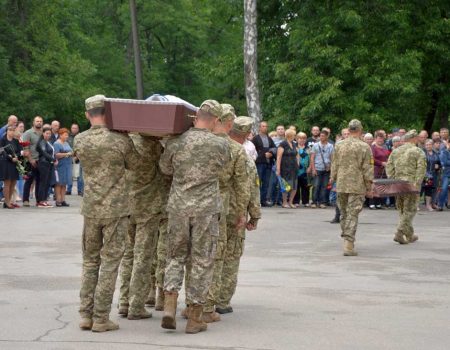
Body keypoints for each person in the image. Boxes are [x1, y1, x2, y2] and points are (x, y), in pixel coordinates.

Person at [159, 100, 230, 334]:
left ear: (196, 115)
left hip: (179, 206)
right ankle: (194, 317)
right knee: (202, 260)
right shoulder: (220, 145)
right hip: (206, 210)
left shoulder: (177, 141)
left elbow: (165, 169)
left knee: (175, 256)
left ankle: (169, 305)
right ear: (216, 120)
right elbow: (223, 169)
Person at [74, 94, 139, 332]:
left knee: (90, 262)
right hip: (116, 209)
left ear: (87, 115)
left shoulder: (79, 140)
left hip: (91, 208)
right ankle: (101, 318)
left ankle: (85, 314)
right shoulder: (120, 140)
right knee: (110, 263)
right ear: (108, 113)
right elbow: (135, 164)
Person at [216, 116, 261, 314]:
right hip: (234, 212)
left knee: (210, 255)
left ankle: (202, 300)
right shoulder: (242, 156)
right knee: (231, 256)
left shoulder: (213, 149)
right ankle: (222, 300)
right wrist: (254, 215)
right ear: (244, 134)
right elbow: (250, 188)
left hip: (211, 210)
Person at [118, 134, 163, 320]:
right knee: (143, 256)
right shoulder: (154, 145)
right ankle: (136, 305)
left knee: (128, 255)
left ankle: (124, 301)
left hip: (127, 206)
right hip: (148, 208)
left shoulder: (126, 142)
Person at [330, 119, 374, 256]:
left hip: (342, 184)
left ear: (348, 130)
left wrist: (334, 179)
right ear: (360, 130)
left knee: (344, 213)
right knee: (352, 214)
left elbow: (334, 164)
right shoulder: (364, 147)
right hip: (357, 185)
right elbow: (367, 168)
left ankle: (346, 238)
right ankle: (349, 243)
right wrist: (369, 187)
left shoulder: (339, 145)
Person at [386, 130, 426, 244]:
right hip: (410, 184)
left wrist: (393, 179)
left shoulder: (396, 151)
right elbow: (421, 169)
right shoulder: (418, 151)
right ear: (413, 138)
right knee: (410, 210)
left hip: (398, 182)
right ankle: (399, 233)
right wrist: (417, 184)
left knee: (403, 209)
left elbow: (389, 166)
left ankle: (410, 234)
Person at [252, 121, 276, 206]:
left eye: (266, 126)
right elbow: (252, 151)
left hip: (268, 163)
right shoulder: (255, 138)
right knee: (258, 182)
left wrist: (271, 153)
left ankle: (263, 200)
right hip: (259, 163)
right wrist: (263, 154)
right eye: (263, 126)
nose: (265, 128)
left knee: (266, 182)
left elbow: (274, 148)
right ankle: (256, 201)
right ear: (259, 127)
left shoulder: (269, 138)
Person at [22, 116, 44, 206]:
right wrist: (30, 160)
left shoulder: (43, 133)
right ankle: (25, 200)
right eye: (37, 121)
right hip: (31, 160)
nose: (39, 123)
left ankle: (38, 200)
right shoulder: (28, 133)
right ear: (33, 122)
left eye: (40, 121)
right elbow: (25, 147)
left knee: (39, 181)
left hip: (41, 160)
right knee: (29, 180)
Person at [309, 129, 334, 208]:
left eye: (323, 136)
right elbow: (312, 158)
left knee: (324, 186)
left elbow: (332, 158)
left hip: (326, 169)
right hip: (317, 167)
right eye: (320, 136)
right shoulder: (316, 145)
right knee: (316, 185)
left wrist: (331, 167)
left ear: (327, 136)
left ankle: (322, 202)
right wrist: (313, 169)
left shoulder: (330, 146)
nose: (321, 137)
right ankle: (314, 201)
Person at [276, 129, 299, 208]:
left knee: (294, 186)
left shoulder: (294, 144)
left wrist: (298, 164)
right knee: (286, 186)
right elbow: (278, 157)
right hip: (285, 168)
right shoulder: (283, 144)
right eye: (294, 135)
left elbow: (297, 154)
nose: (295, 136)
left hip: (294, 168)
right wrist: (278, 169)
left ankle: (291, 202)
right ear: (290, 135)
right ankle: (284, 202)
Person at [0, 126, 22, 208]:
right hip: (6, 163)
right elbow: (2, 151)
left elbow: (20, 151)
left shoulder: (16, 141)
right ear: (6, 131)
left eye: (13, 130)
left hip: (14, 163)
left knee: (13, 183)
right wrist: (10, 158)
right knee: (7, 183)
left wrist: (17, 157)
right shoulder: (3, 140)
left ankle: (8, 201)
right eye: (10, 130)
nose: (12, 132)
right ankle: (7, 202)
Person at [36, 127, 56, 208]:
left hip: (49, 164)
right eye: (46, 133)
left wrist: (53, 160)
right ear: (43, 133)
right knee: (43, 182)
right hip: (43, 164)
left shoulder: (48, 142)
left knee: (47, 183)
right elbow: (44, 153)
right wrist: (53, 159)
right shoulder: (42, 142)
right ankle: (41, 201)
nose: (48, 135)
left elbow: (51, 153)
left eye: (49, 133)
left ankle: (44, 200)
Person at [369, 131, 390, 209]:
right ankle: (371, 203)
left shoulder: (385, 148)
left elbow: (388, 157)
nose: (380, 140)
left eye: (382, 139)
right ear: (375, 139)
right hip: (375, 170)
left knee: (380, 187)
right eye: (379, 139)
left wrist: (387, 162)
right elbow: (371, 159)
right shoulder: (373, 148)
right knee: (373, 187)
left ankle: (378, 203)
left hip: (383, 171)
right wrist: (381, 163)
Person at [53, 128, 73, 206]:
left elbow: (71, 151)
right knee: (59, 183)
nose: (67, 136)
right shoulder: (56, 143)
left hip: (67, 165)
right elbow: (56, 155)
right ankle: (58, 200)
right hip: (60, 165)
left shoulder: (66, 143)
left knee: (64, 183)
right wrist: (66, 154)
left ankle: (63, 200)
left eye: (67, 135)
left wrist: (71, 153)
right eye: (65, 135)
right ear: (60, 135)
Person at [422, 139, 440, 211]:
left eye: (430, 144)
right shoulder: (423, 153)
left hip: (434, 174)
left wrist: (438, 166)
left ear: (432, 145)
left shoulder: (436, 153)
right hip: (425, 174)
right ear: (425, 145)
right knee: (422, 189)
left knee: (431, 189)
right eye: (427, 145)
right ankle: (416, 205)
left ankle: (429, 205)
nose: (428, 146)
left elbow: (439, 163)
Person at [67, 123, 84, 195]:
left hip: (79, 158)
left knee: (79, 175)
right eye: (73, 128)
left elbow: (83, 147)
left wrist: (77, 156)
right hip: (69, 157)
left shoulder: (82, 137)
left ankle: (80, 190)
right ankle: (69, 190)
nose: (74, 129)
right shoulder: (68, 137)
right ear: (71, 129)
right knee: (69, 174)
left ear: (78, 129)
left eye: (76, 128)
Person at [294, 132, 310, 207]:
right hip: (296, 169)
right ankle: (296, 201)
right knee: (296, 186)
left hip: (305, 170)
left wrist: (310, 167)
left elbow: (311, 158)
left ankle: (305, 201)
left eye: (303, 138)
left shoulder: (308, 148)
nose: (302, 140)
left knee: (305, 186)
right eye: (300, 138)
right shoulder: (294, 147)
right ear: (297, 139)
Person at [437, 139, 450, 211]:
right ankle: (440, 205)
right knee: (444, 189)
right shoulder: (444, 151)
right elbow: (444, 162)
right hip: (446, 173)